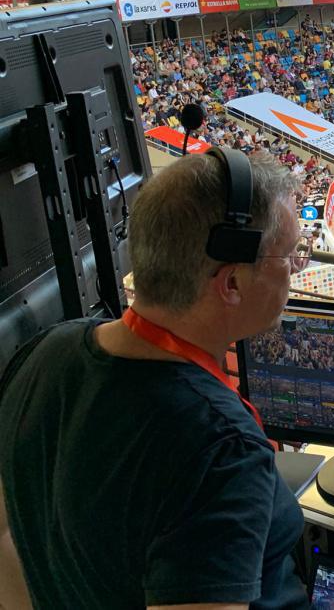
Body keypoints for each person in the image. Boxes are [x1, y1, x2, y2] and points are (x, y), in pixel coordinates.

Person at [0, 153, 310, 609]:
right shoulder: (221, 452)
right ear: (233, 283)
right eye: (289, 256)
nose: (295, 270)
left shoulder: (43, 354)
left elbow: (5, 537)